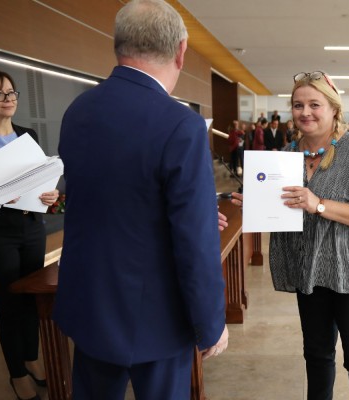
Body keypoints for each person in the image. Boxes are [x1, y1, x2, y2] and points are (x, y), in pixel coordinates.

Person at [52, 1, 228, 399]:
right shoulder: (180, 124)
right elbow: (195, 240)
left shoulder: (78, 111)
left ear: (118, 45)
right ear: (181, 51)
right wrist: (210, 321)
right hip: (156, 315)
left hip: (90, 302)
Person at [232, 70, 349, 399]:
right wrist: (257, 203)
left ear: (333, 109)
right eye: (298, 105)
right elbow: (282, 207)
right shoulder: (286, 155)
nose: (305, 113)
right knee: (316, 356)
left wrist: (318, 204)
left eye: (314, 104)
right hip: (310, 271)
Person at [0, 68, 60, 400]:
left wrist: (50, 196)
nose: (9, 100)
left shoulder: (28, 134)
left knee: (32, 297)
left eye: (12, 93)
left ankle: (32, 357)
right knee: (9, 304)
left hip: (31, 229)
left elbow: (39, 183)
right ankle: (17, 373)